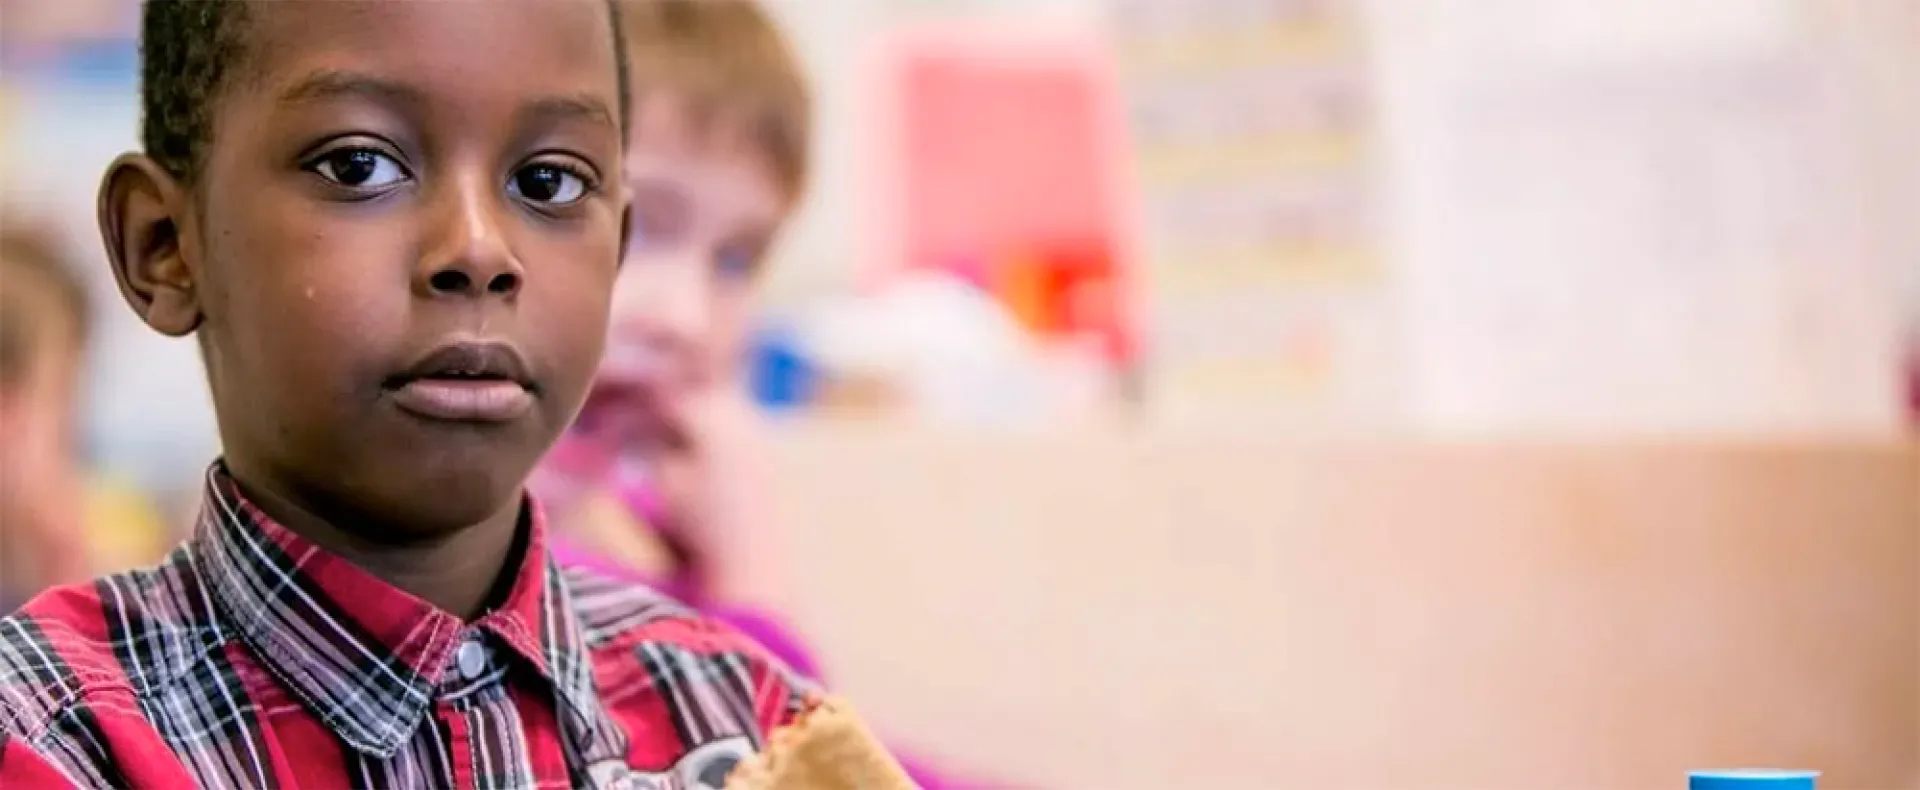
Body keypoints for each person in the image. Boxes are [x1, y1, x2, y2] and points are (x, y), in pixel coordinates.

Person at [0, 1, 890, 786]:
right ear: (165, 244)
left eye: (548, 182)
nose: (478, 248)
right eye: (359, 166)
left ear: (610, 250)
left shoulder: (743, 719)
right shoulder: (54, 737)